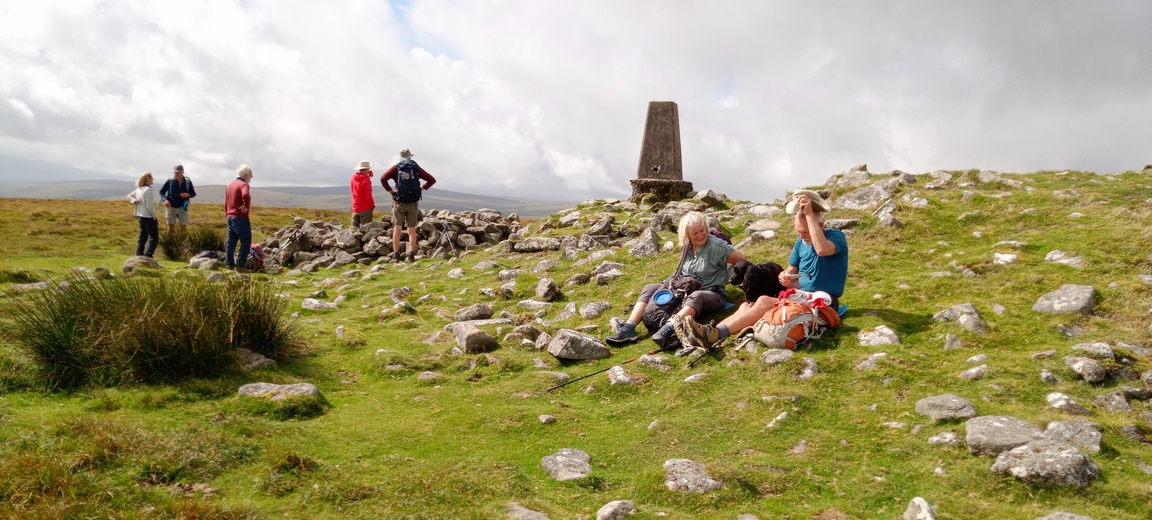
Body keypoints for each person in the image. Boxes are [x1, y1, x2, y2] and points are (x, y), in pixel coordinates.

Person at [674, 189, 848, 348]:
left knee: (764, 301)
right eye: (798, 232)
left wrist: (809, 215)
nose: (802, 236)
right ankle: (708, 333)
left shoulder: (836, 237)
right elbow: (790, 271)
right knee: (746, 306)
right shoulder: (800, 242)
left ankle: (716, 334)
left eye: (806, 232)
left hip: (824, 301)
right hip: (801, 296)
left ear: (820, 226)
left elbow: (822, 250)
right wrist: (785, 277)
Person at [605, 211, 747, 347]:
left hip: (711, 293)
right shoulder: (687, 246)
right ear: (688, 235)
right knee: (649, 288)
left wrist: (726, 278)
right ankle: (629, 328)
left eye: (702, 230)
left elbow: (742, 261)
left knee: (696, 296)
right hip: (685, 288)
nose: (700, 235)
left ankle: (669, 328)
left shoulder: (716, 246)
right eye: (695, 233)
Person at [380, 148, 436, 262]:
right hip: (412, 202)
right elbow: (432, 180)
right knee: (411, 230)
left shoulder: (396, 167)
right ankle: (411, 255)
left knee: (397, 229)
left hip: (399, 202)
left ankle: (396, 254)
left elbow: (383, 178)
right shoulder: (415, 168)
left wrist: (391, 191)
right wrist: (421, 188)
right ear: (410, 157)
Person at [224, 164, 254, 271]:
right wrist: (246, 205)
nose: (252, 176)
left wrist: (227, 214)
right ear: (245, 175)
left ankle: (229, 264)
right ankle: (241, 266)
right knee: (245, 241)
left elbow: (226, 202)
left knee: (231, 242)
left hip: (230, 216)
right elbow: (245, 195)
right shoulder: (244, 185)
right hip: (240, 217)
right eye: (250, 174)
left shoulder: (229, 185)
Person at [126, 172, 159, 257]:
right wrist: (154, 216)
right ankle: (148, 255)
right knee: (153, 238)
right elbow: (149, 205)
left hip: (140, 216)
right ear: (147, 179)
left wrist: (134, 201)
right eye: (151, 178)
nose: (153, 179)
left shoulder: (139, 189)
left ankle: (139, 253)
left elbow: (129, 196)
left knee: (142, 236)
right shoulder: (148, 190)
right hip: (148, 216)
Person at [158, 164, 197, 234]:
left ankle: (182, 240)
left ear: (182, 172)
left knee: (183, 226)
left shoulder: (188, 182)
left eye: (178, 172)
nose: (176, 174)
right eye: (175, 172)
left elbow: (193, 193)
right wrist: (165, 200)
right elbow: (161, 192)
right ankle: (170, 240)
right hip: (171, 206)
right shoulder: (170, 181)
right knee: (170, 226)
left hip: (183, 207)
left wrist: (188, 195)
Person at [350, 160, 376, 228]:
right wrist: (372, 206)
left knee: (354, 229)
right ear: (366, 169)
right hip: (365, 208)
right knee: (366, 229)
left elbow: (352, 191)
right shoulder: (366, 180)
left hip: (355, 207)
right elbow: (368, 196)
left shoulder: (353, 178)